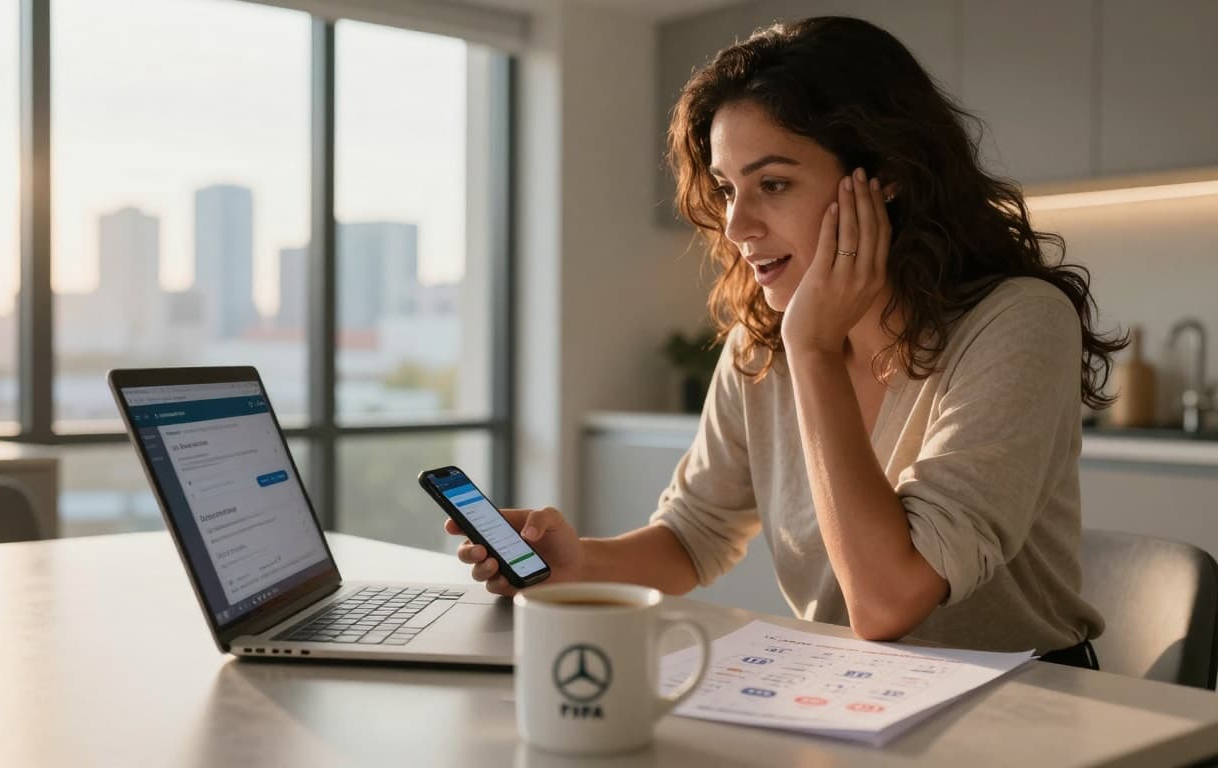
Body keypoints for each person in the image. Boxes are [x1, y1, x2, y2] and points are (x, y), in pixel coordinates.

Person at [445, 16, 1122, 668]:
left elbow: (890, 600)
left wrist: (816, 352)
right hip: (856, 692)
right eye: (726, 187)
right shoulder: (764, 342)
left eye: (773, 184)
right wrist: (581, 563)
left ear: (885, 177)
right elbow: (693, 536)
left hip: (1030, 702)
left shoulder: (1016, 322)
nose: (737, 224)